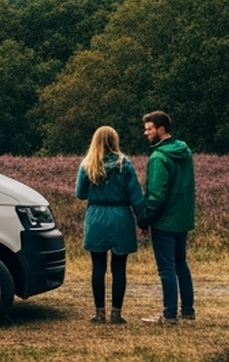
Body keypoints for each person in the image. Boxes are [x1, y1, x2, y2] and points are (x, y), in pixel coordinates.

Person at [74, 125, 146, 323]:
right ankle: (116, 314)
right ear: (115, 141)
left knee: (98, 266)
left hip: (96, 216)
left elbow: (80, 194)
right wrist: (143, 221)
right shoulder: (125, 165)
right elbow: (136, 197)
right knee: (119, 267)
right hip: (121, 216)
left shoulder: (88, 164)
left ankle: (99, 313)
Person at [141, 110, 196, 324]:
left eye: (149, 129)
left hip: (165, 220)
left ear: (160, 129)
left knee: (166, 268)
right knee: (181, 263)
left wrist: (145, 219)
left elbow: (156, 195)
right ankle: (188, 310)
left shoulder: (158, 158)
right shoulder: (185, 151)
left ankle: (169, 314)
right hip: (182, 219)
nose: (146, 133)